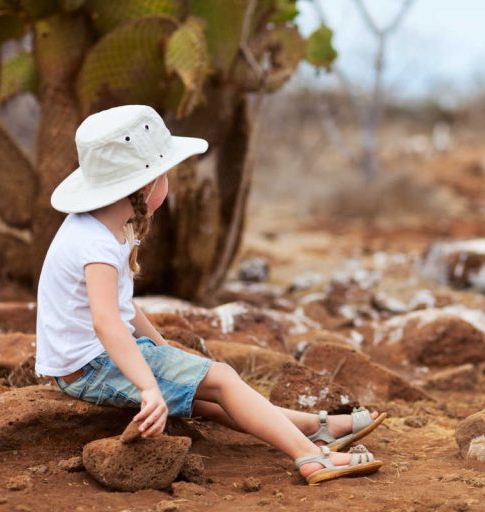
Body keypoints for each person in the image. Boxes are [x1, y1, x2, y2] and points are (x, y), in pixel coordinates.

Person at [34, 105, 386, 485]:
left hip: (86, 363)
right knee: (223, 378)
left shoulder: (106, 225)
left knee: (203, 395)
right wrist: (148, 386)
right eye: (165, 174)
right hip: (91, 367)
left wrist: (161, 348)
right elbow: (106, 321)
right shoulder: (96, 244)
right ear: (146, 186)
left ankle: (315, 428)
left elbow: (124, 307)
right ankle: (311, 456)